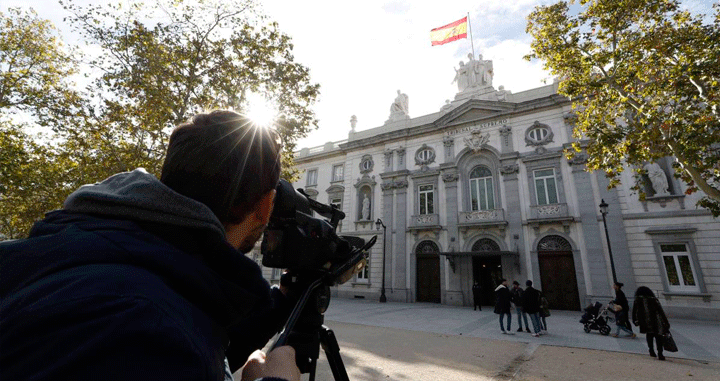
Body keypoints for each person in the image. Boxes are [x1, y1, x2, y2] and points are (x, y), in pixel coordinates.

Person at [0, 110, 300, 381]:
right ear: (266, 204)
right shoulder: (149, 329)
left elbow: (198, 341)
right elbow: (170, 348)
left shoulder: (78, 249)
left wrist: (285, 298)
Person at [633, 286, 671, 360]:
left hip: (645, 321)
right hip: (655, 321)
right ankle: (660, 353)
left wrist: (635, 320)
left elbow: (634, 311)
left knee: (649, 336)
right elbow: (660, 311)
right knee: (658, 337)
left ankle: (651, 350)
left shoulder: (638, 300)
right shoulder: (653, 299)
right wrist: (666, 322)